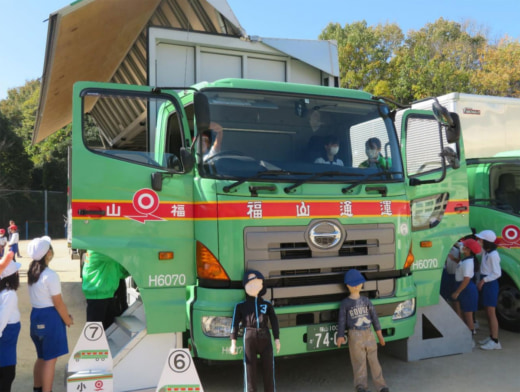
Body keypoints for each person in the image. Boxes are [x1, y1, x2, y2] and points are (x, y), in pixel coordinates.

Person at [27, 236, 73, 392]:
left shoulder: (32, 272)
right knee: (50, 360)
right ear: (48, 254)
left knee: (41, 357)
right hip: (50, 319)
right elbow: (58, 303)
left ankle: (37, 388)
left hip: (36, 317)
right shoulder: (50, 275)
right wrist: (67, 320)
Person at [336, 269, 389, 392]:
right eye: (352, 284)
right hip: (354, 334)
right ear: (347, 286)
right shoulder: (345, 303)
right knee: (359, 362)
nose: (355, 286)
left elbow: (375, 318)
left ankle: (382, 386)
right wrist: (340, 335)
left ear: (361, 284)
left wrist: (380, 336)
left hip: (368, 333)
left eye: (357, 284)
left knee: (374, 361)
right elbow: (342, 320)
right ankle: (361, 386)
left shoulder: (366, 301)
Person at [230, 270, 280, 392]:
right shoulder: (240, 306)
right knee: (250, 371)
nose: (254, 286)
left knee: (269, 370)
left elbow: (274, 321)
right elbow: (234, 324)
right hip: (249, 338)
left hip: (265, 337)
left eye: (257, 283)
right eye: (250, 284)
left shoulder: (267, 305)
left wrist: (277, 338)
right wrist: (233, 343)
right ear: (245, 286)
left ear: (262, 286)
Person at [82, 250, 130, 329]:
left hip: (108, 296)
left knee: (109, 331)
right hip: (97, 298)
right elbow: (120, 255)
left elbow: (120, 272)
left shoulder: (109, 259)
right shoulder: (97, 250)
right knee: (95, 335)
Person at [475, 230, 502, 350]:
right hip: (486, 282)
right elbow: (476, 250)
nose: (479, 241)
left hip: (490, 284)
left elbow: (497, 273)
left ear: (486, 242)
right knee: (487, 311)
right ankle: (491, 336)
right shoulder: (486, 252)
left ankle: (495, 341)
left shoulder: (493, 255)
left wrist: (483, 281)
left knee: (491, 313)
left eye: (480, 240)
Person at [451, 238, 481, 335]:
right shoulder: (466, 259)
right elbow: (461, 265)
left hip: (466, 288)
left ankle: (471, 335)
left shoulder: (468, 262)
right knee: (463, 312)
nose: (462, 247)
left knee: (468, 315)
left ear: (469, 250)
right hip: (462, 286)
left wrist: (457, 292)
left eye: (464, 246)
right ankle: (464, 334)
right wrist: (453, 259)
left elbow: (466, 279)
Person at [0, 260, 22, 392]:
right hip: (5, 342)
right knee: (7, 376)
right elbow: (1, 320)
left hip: (6, 342)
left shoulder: (4, 293)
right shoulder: (10, 295)